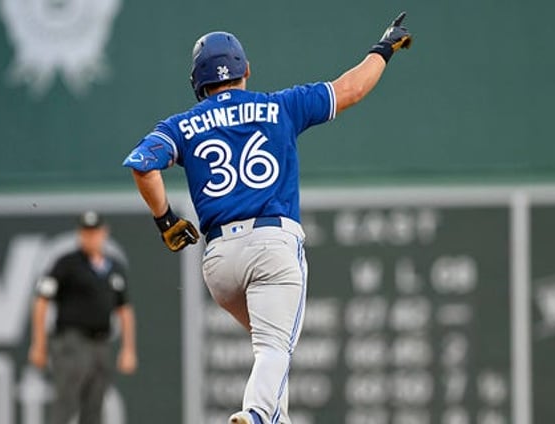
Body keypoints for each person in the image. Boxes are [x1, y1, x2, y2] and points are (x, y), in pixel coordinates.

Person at [122, 12, 412, 424]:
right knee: (276, 348)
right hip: (272, 245)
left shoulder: (181, 125)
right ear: (246, 70)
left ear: (198, 83)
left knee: (272, 350)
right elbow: (350, 89)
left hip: (220, 263)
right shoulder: (279, 106)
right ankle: (256, 414)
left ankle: (274, 418)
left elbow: (142, 165)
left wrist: (166, 219)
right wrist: (383, 49)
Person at [28, 211, 137, 424]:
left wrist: (128, 349)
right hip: (71, 341)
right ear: (80, 234)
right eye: (86, 232)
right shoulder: (66, 264)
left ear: (104, 233)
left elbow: (124, 310)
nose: (91, 237)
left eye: (95, 232)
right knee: (66, 403)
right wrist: (39, 344)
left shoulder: (114, 267)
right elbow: (41, 301)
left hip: (101, 343)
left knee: (94, 407)